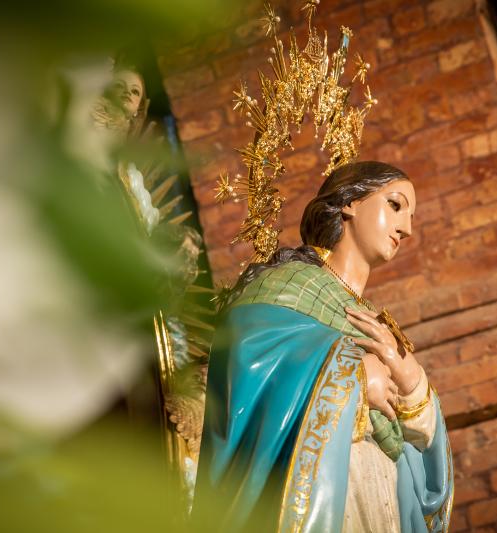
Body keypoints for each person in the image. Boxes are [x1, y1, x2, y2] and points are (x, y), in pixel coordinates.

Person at [193, 161, 453, 533]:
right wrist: (356, 378)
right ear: (351, 203)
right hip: (325, 490)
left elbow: (416, 446)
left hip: (383, 494)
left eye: (411, 215)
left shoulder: (375, 322)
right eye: (395, 205)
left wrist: (409, 379)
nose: (407, 229)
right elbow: (247, 358)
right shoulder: (289, 284)